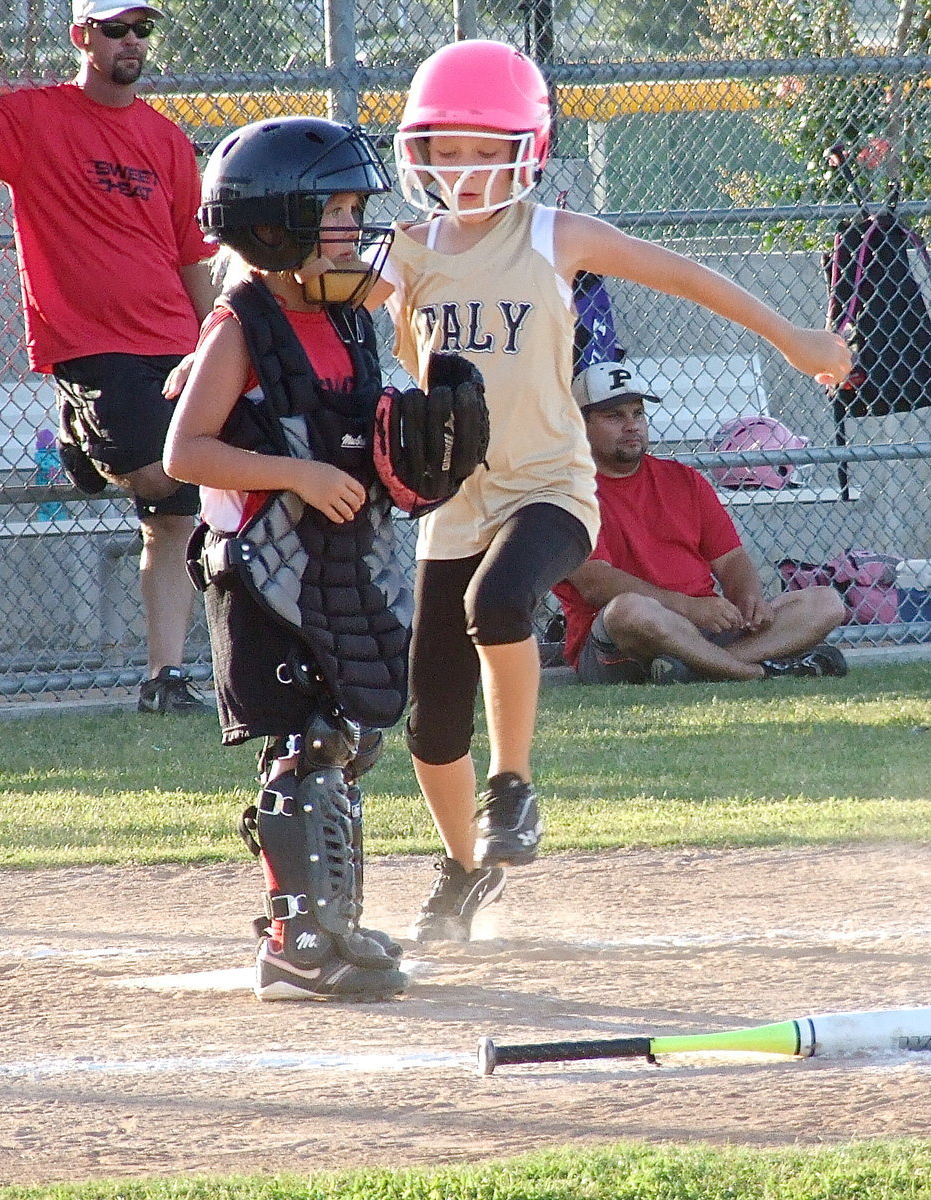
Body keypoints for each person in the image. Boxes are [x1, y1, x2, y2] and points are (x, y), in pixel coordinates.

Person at [366, 38, 852, 943]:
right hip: (455, 502)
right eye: (444, 149)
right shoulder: (406, 251)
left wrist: (796, 340)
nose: (463, 170)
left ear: (528, 149)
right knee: (430, 722)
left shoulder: (554, 234)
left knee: (502, 600)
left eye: (485, 148)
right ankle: (463, 872)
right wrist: (224, 333)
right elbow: (319, 307)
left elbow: (684, 275)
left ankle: (512, 790)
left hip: (551, 484)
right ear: (417, 154)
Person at [163, 116, 415, 1002]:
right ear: (277, 227)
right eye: (340, 210)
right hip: (259, 567)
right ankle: (292, 937)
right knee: (302, 743)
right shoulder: (240, 326)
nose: (356, 227)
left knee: (347, 736)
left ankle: (333, 922)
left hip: (336, 556)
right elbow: (186, 452)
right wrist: (297, 473)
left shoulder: (345, 315)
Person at [0, 1, 217, 714]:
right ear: (82, 38)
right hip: (94, 344)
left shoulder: (166, 140)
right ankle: (84, 432)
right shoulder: (32, 119)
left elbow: (191, 253)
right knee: (154, 476)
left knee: (174, 515)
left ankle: (164, 679)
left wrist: (214, 338)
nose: (132, 42)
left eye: (143, 30)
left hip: (172, 338)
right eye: (116, 30)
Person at [552, 361, 849, 685]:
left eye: (638, 413)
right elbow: (596, 583)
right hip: (626, 640)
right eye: (614, 416)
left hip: (705, 627)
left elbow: (731, 558)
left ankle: (695, 668)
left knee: (825, 602)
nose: (631, 425)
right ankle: (757, 671)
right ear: (579, 424)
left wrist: (748, 598)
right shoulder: (566, 492)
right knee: (629, 610)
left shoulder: (683, 479)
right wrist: (689, 608)